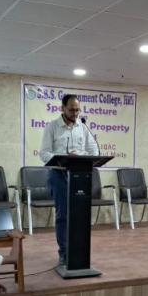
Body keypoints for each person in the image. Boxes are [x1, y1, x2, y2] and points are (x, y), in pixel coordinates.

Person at [39, 94, 99, 265]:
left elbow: (94, 151)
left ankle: (79, 252)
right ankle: (64, 253)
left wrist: (79, 155)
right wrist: (64, 158)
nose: (75, 113)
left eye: (77, 109)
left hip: (80, 175)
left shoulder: (82, 127)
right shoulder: (52, 127)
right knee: (63, 215)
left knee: (80, 214)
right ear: (63, 108)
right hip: (58, 175)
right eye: (72, 110)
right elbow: (44, 153)